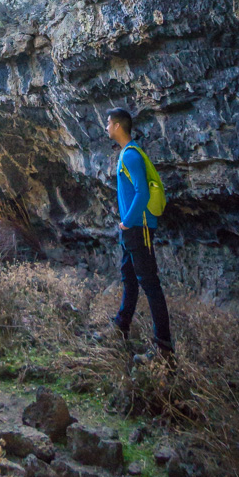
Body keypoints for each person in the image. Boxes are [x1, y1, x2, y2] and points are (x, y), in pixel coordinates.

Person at [106, 108, 174, 358]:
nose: (106, 127)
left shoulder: (131, 155)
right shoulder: (126, 153)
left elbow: (142, 193)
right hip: (133, 229)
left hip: (138, 228)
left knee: (150, 284)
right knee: (129, 278)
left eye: (108, 123)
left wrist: (127, 221)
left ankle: (163, 348)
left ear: (117, 126)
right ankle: (121, 326)